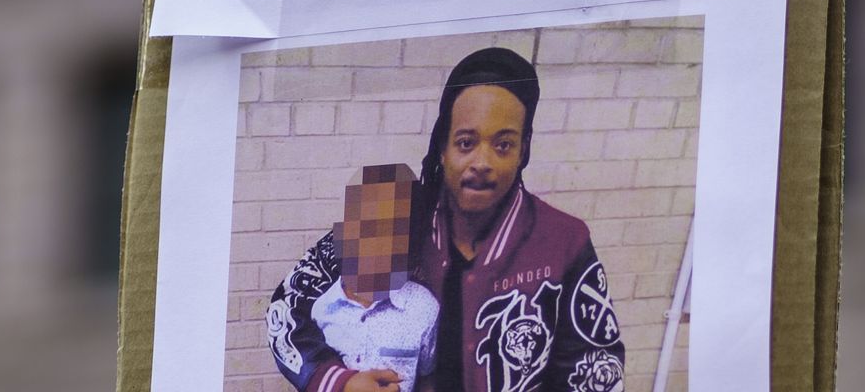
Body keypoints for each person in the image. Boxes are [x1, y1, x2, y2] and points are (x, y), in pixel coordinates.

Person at [266, 47, 626, 392]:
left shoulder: (563, 241)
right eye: (466, 142)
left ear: (524, 149)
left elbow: (595, 368)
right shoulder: (393, 214)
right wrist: (336, 381)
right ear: (443, 145)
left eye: (503, 144)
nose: (482, 162)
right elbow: (288, 306)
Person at [303, 164, 440, 392]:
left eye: (391, 226)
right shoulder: (322, 308)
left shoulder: (423, 308)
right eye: (364, 223)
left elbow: (429, 376)